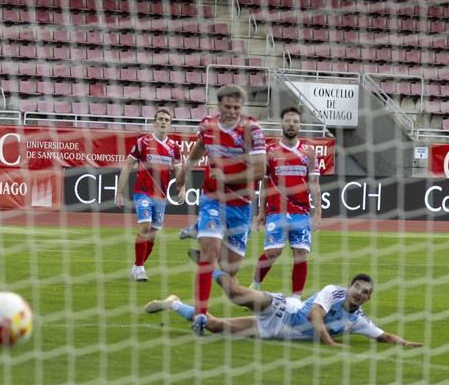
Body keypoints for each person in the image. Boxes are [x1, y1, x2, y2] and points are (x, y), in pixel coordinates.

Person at [172, 84, 267, 333]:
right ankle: (200, 316)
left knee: (230, 270)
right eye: (227, 107)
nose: (232, 112)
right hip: (213, 199)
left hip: (241, 204)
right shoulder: (207, 125)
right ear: (219, 106)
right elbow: (200, 147)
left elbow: (259, 170)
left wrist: (226, 177)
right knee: (209, 255)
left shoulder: (252, 130)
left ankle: (203, 240)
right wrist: (185, 169)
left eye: (237, 107)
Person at [144, 269, 420, 347]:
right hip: (282, 308)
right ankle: (209, 263)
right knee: (236, 294)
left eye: (366, 293)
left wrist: (405, 342)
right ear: (350, 286)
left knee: (215, 326)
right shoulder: (332, 292)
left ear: (369, 298)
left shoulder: (357, 319)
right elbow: (315, 315)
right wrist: (329, 342)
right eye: (358, 287)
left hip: (272, 331)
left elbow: (382, 335)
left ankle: (174, 304)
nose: (361, 293)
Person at [251, 105, 321, 297]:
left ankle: (295, 299)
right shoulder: (270, 152)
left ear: (300, 126)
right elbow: (264, 184)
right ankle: (254, 286)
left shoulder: (309, 153)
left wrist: (318, 213)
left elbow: (314, 184)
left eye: (295, 122)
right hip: (277, 211)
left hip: (302, 212)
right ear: (281, 123)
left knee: (301, 255)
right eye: (288, 121)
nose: (291, 124)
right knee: (273, 252)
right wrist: (261, 212)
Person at [113, 107, 181, 281]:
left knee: (152, 233)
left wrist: (183, 187)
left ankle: (137, 266)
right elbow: (128, 166)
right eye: (161, 119)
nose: (164, 122)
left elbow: (179, 169)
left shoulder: (174, 147)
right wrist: (119, 192)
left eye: (167, 119)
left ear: (170, 124)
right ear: (154, 122)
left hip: (161, 196)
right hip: (142, 192)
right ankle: (141, 269)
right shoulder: (143, 142)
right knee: (144, 227)